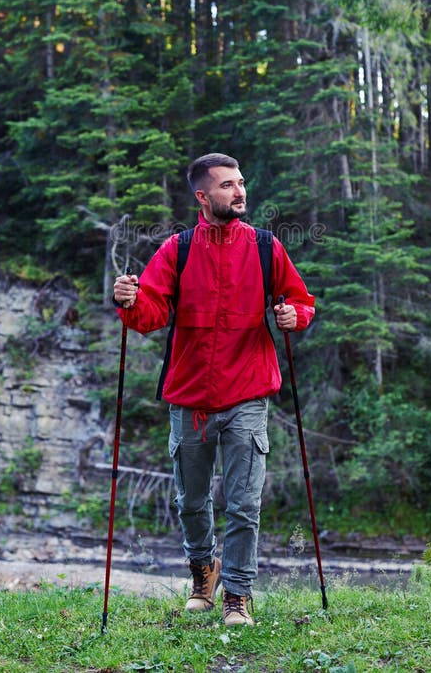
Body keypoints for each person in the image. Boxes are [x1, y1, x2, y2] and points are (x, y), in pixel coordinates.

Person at [113, 152, 315, 626]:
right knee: (191, 502)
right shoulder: (178, 249)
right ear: (203, 196)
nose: (239, 191)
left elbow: (301, 301)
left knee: (244, 504)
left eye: (241, 182)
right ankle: (204, 571)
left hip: (247, 393)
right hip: (189, 398)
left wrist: (294, 317)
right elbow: (149, 315)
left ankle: (238, 595)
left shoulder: (266, 247)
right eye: (227, 185)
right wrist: (128, 300)